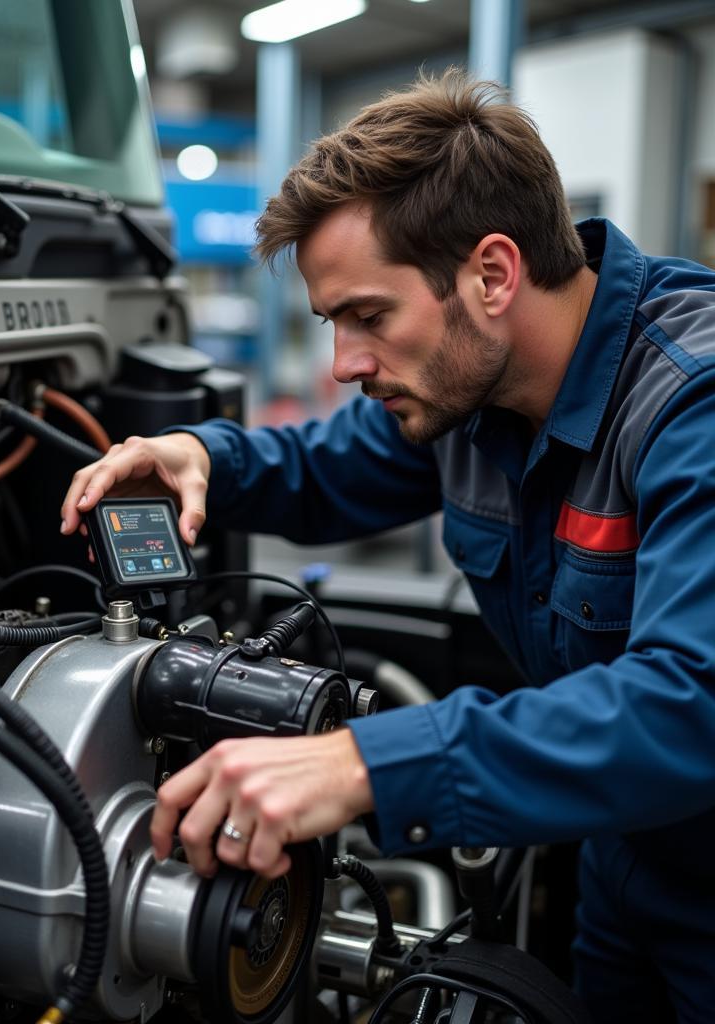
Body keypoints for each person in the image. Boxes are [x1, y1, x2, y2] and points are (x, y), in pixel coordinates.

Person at [60, 69, 715, 1022]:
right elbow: (330, 463)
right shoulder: (468, 395)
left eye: (370, 317)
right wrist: (201, 452)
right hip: (621, 860)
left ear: (493, 274)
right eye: (334, 325)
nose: (345, 364)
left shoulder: (690, 402)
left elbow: (691, 704)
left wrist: (361, 765)